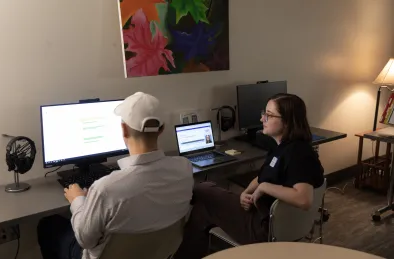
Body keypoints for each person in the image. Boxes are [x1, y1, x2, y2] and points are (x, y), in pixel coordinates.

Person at [37, 92, 194, 259]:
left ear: (124, 129)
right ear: (161, 129)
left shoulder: (106, 188)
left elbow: (85, 240)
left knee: (48, 225)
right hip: (159, 253)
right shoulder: (184, 168)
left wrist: (77, 200)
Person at [174, 93, 324, 259]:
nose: (262, 119)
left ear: (287, 121)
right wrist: (247, 192)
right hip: (262, 215)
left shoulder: (298, 154)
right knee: (202, 210)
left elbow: (304, 199)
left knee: (202, 189)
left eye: (269, 115)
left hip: (264, 228)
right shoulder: (282, 148)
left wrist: (264, 187)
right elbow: (262, 177)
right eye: (263, 113)